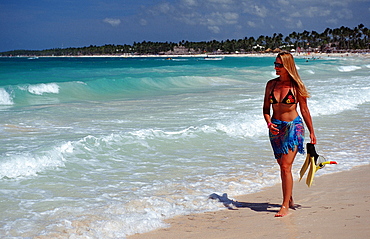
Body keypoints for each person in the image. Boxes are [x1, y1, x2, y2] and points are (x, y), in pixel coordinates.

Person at [263, 52, 316, 217]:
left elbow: (304, 110)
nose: (276, 68)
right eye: (275, 64)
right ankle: (290, 198)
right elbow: (265, 109)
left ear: (288, 66)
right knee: (282, 165)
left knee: (286, 166)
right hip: (276, 128)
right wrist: (269, 124)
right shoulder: (271, 85)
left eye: (279, 65)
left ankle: (285, 205)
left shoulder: (296, 86)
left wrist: (312, 132)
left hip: (294, 128)